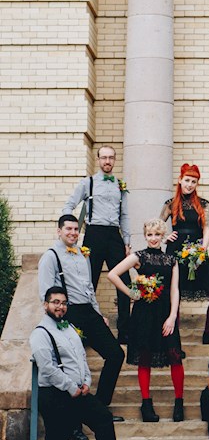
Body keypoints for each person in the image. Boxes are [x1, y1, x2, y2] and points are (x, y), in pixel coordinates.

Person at [30, 286, 137, 440]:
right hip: (54, 394)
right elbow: (48, 368)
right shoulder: (40, 333)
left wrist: (86, 382)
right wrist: (71, 387)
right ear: (46, 304)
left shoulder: (69, 328)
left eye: (63, 303)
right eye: (55, 302)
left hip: (79, 391)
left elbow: (81, 359)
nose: (60, 306)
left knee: (104, 418)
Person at [38, 214, 125, 440]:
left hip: (88, 311)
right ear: (59, 231)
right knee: (72, 366)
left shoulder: (83, 254)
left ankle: (100, 407)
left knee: (115, 354)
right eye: (68, 229)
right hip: (69, 313)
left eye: (76, 229)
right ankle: (73, 425)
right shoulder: (51, 256)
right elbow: (45, 293)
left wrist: (98, 313)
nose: (73, 233)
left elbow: (88, 288)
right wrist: (55, 322)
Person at [107, 218, 185, 422]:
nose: (153, 238)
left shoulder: (172, 260)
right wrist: (131, 293)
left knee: (175, 356)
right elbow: (113, 274)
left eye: (157, 234)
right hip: (143, 314)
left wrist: (172, 316)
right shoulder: (138, 256)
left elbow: (175, 289)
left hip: (166, 313)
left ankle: (179, 403)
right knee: (145, 358)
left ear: (162, 235)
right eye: (149, 235)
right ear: (145, 236)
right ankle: (146, 405)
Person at [62, 145, 131, 345]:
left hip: (114, 235)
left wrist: (127, 241)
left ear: (115, 160)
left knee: (123, 280)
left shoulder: (120, 185)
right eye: (104, 158)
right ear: (98, 159)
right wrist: (70, 229)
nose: (107, 161)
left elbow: (125, 215)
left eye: (111, 158)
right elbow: (69, 205)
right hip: (93, 234)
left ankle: (124, 331)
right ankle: (86, 331)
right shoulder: (88, 183)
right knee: (88, 282)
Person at [160, 163, 209, 345]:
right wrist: (165, 237)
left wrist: (203, 249)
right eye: (187, 180)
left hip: (197, 253)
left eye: (193, 182)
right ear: (180, 181)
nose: (189, 184)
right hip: (175, 253)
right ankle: (174, 340)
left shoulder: (202, 204)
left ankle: (208, 332)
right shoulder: (170, 204)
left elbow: (206, 229)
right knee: (175, 295)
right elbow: (156, 226)